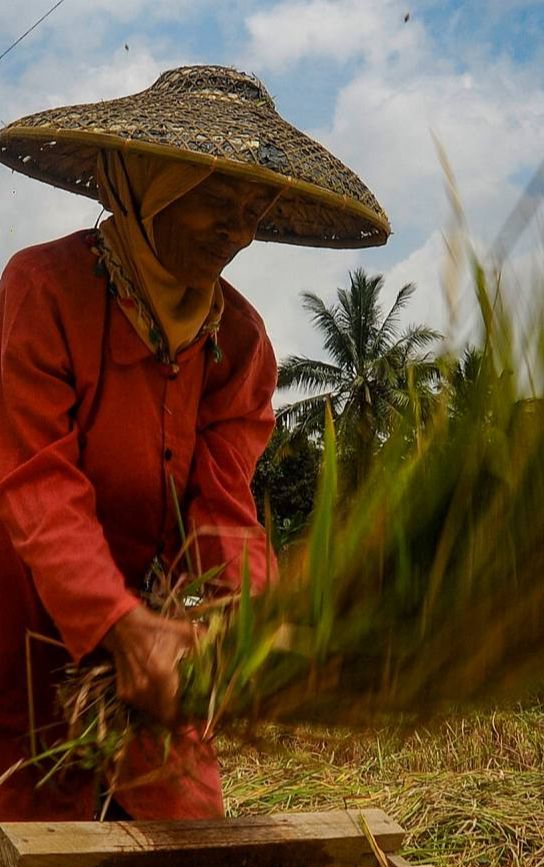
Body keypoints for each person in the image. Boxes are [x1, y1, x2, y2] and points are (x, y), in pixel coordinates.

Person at [0, 66, 388, 822]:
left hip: (148, 667)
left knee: (188, 842)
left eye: (252, 207)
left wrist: (253, 621)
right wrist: (117, 625)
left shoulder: (238, 342)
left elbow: (223, 510)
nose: (238, 231)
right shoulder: (43, 290)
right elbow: (37, 482)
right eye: (215, 199)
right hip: (19, 637)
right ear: (146, 183)